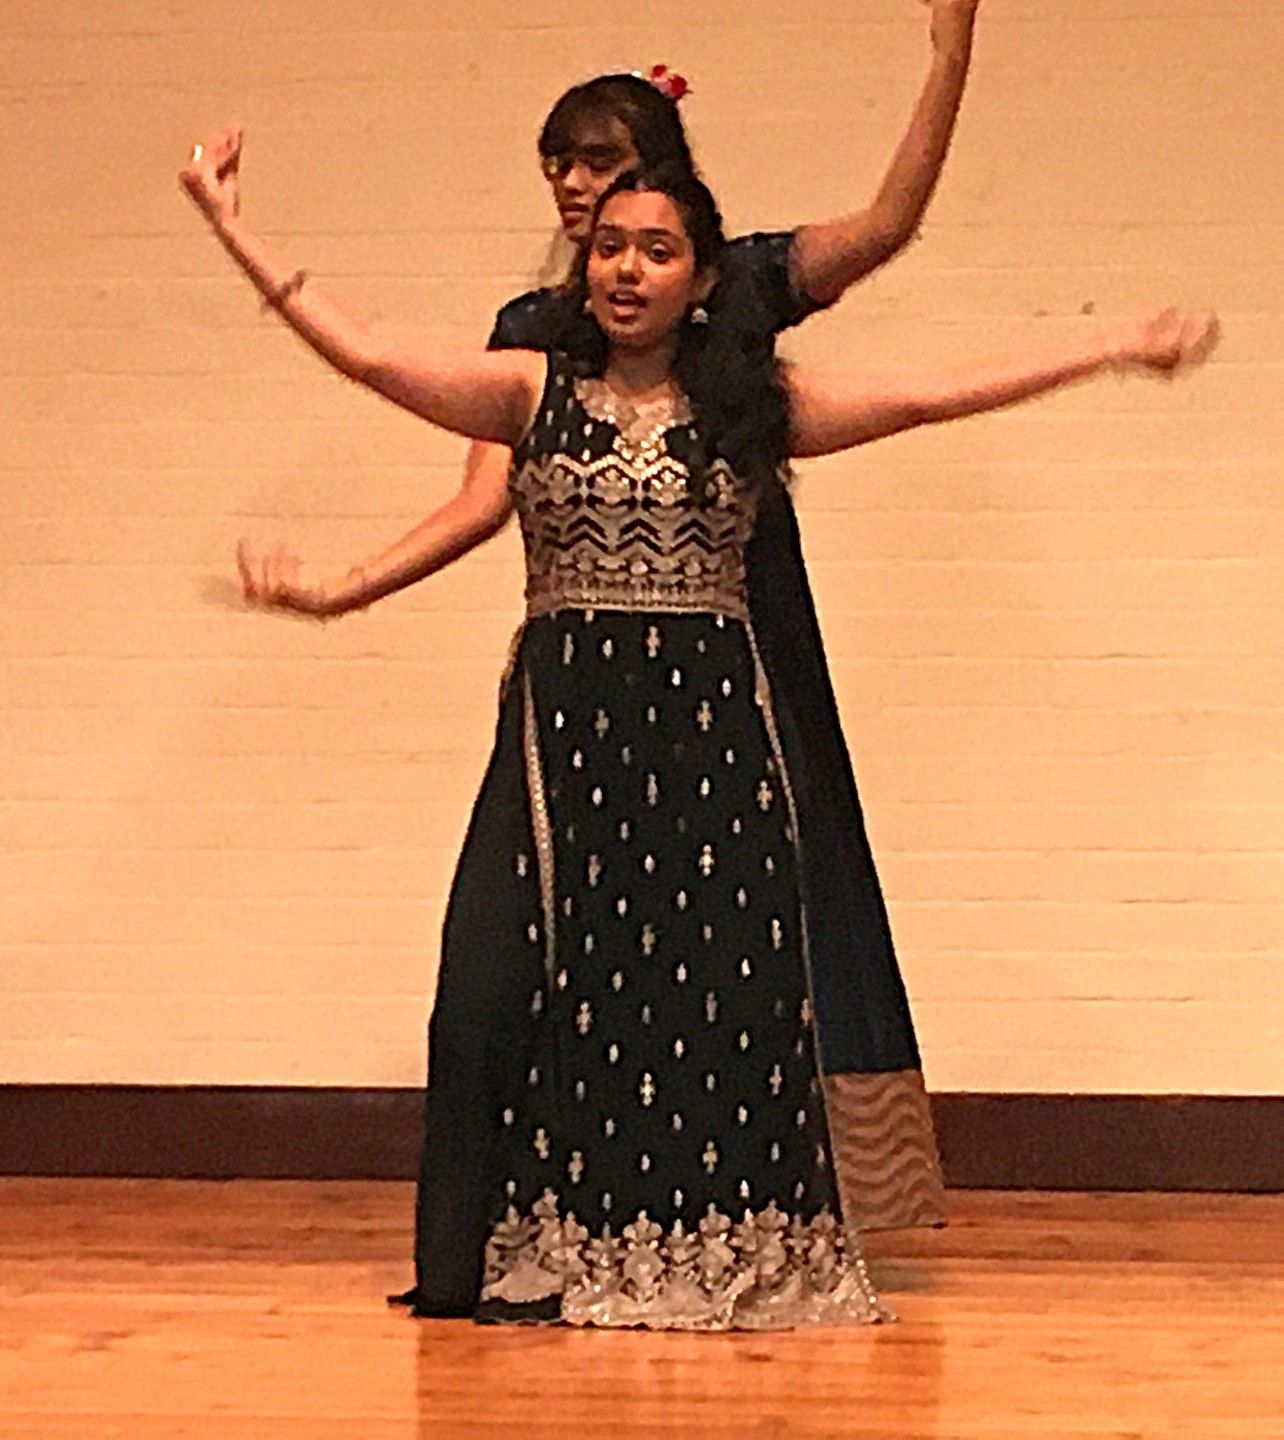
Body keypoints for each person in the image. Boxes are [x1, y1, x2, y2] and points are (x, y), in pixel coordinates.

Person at [182, 129, 1216, 1327]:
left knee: (705, 1004)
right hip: (563, 748)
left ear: (702, 277)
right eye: (610, 248)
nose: (626, 270)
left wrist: (1109, 348)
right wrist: (231, 225)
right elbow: (367, 356)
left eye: (657, 251)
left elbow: (929, 395)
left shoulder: (752, 410)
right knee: (490, 991)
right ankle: (536, 1246)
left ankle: (697, 1255)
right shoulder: (529, 389)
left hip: (712, 747)